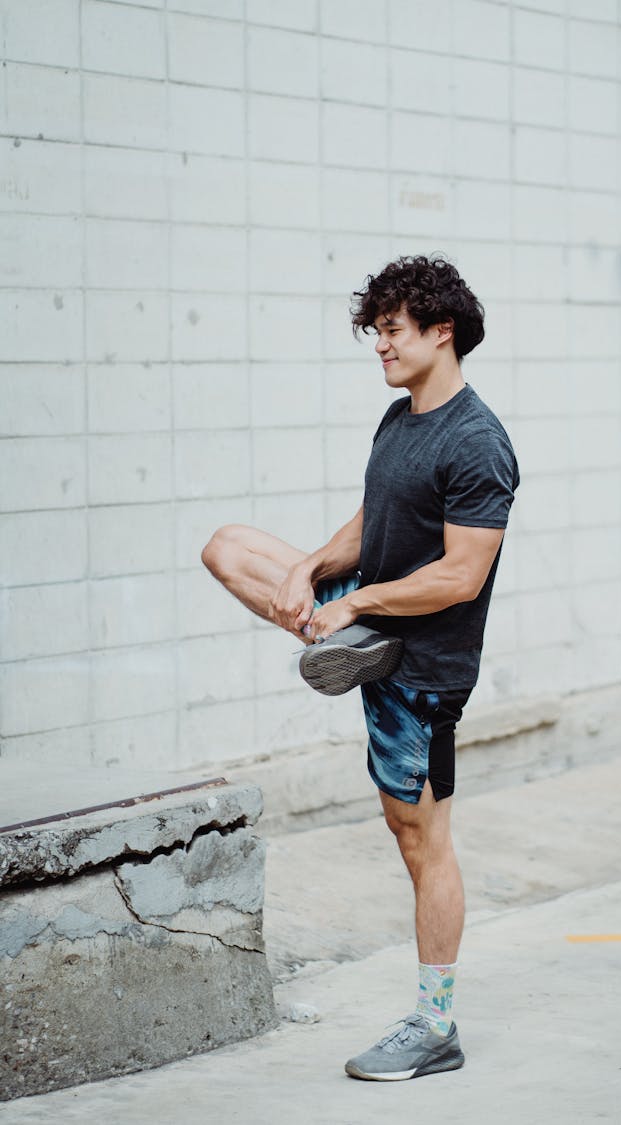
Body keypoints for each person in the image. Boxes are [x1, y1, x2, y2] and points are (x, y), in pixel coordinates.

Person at [202, 254, 520, 1082]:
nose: (378, 346)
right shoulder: (401, 418)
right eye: (375, 331)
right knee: (229, 548)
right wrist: (312, 570)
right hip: (371, 613)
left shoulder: (479, 442)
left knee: (421, 841)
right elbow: (371, 514)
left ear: (440, 331)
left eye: (391, 330)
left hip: (426, 664)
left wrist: (354, 603)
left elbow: (461, 574)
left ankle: (435, 1022)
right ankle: (346, 641)